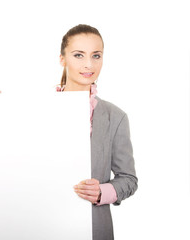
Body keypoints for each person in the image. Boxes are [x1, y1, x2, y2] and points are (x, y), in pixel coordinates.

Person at [57, 24, 138, 240]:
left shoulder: (115, 116)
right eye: (78, 55)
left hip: (93, 228)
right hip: (44, 224)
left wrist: (102, 191)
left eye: (96, 56)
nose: (88, 64)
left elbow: (128, 179)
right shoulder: (37, 109)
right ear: (62, 59)